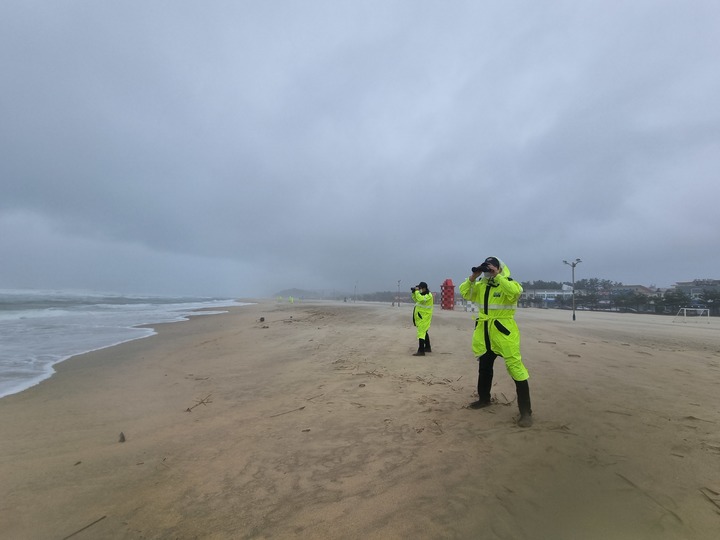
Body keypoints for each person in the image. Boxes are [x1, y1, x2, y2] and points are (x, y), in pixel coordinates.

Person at [459, 257, 533, 427]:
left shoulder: (508, 282)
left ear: (499, 268)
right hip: (485, 333)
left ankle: (526, 412)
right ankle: (484, 399)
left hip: (504, 333)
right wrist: (473, 277)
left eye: (491, 267)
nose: (488, 271)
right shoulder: (481, 285)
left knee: (516, 369)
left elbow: (515, 293)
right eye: (486, 268)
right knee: (484, 367)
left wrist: (498, 275)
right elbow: (465, 293)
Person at [411, 282, 433, 356]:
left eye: (420, 288)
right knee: (424, 331)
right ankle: (427, 347)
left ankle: (421, 350)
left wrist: (417, 291)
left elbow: (420, 299)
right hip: (421, 316)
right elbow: (416, 299)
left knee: (421, 332)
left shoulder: (428, 295)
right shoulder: (422, 294)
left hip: (425, 316)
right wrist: (414, 293)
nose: (419, 290)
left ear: (424, 288)